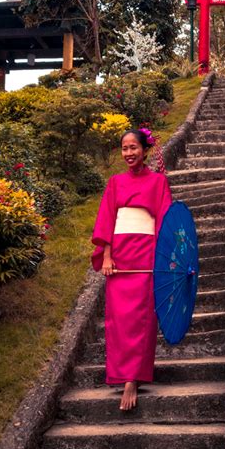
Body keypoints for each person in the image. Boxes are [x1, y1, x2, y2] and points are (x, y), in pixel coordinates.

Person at [91, 128, 172, 410]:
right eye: (124, 148)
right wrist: (106, 257)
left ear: (144, 149)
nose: (129, 153)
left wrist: (163, 259)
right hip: (120, 260)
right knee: (119, 320)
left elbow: (164, 221)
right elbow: (107, 220)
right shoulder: (114, 182)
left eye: (133, 147)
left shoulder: (159, 182)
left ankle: (132, 379)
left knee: (143, 320)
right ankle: (121, 374)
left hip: (147, 259)